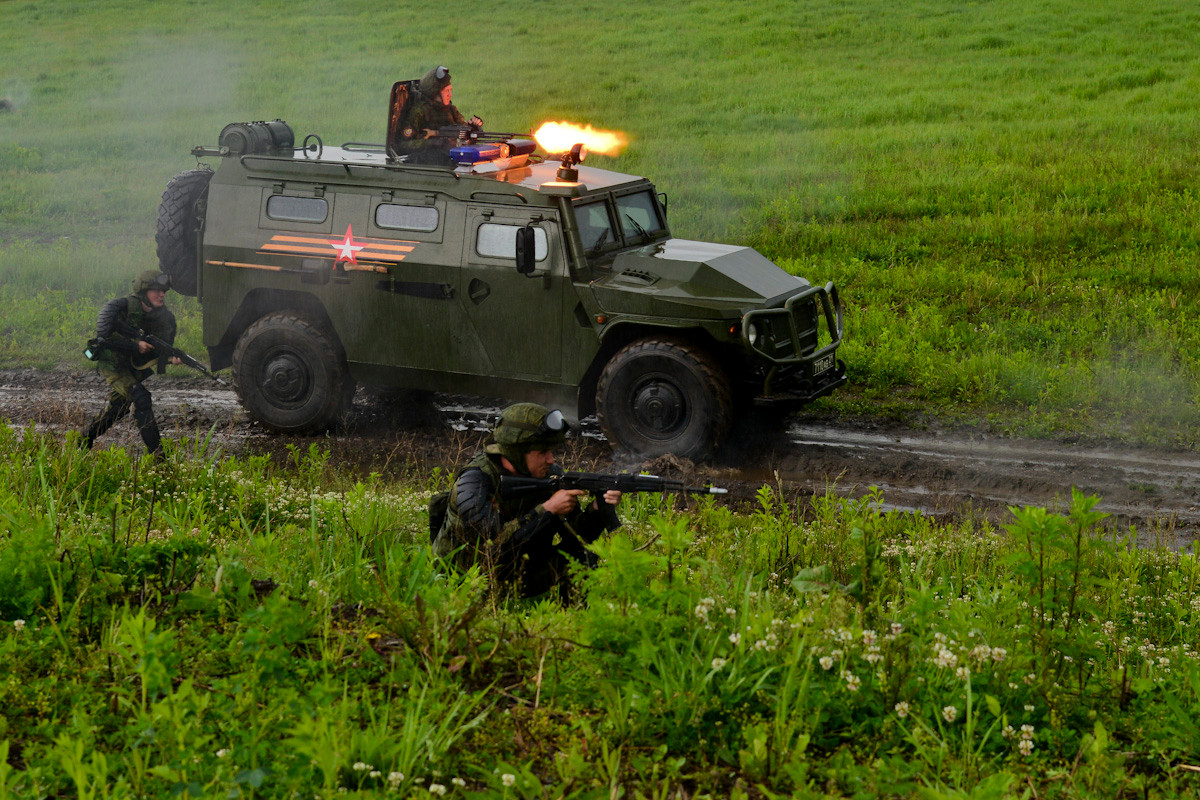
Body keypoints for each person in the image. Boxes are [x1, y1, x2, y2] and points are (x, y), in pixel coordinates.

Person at [432, 402, 622, 602]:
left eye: (551, 451)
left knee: (583, 556)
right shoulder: (475, 483)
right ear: (516, 452)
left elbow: (578, 539)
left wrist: (597, 511)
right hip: (469, 580)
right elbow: (492, 549)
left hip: (520, 570)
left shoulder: (549, 477)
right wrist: (547, 510)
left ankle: (571, 621)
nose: (551, 460)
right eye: (542, 453)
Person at [80, 270, 181, 456]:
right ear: (143, 292)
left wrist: (169, 357)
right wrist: (135, 345)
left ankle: (84, 440)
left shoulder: (162, 317)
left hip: (131, 365)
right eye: (156, 290)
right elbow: (102, 338)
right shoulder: (120, 307)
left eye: (164, 291)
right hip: (113, 364)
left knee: (118, 408)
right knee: (141, 397)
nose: (162, 295)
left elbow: (160, 345)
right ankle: (158, 455)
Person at [396, 65, 483, 166]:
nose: (450, 95)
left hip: (450, 163)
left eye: (450, 90)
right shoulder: (419, 111)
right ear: (435, 93)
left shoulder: (451, 110)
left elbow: (463, 133)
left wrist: (473, 127)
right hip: (427, 166)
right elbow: (402, 145)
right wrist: (434, 143)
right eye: (446, 91)